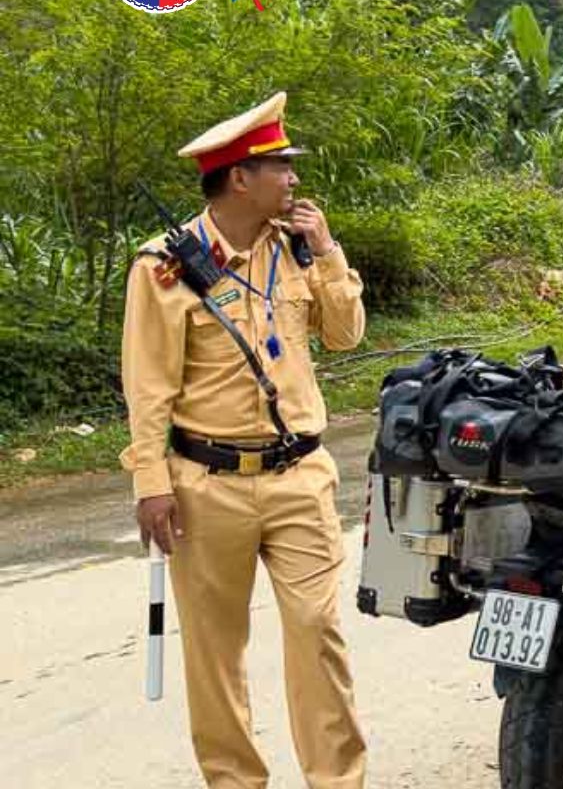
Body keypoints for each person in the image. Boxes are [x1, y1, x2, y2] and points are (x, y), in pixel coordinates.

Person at [120, 92, 368, 789]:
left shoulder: (294, 249)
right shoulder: (164, 267)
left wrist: (327, 251)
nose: (292, 179)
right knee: (215, 653)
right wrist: (151, 483)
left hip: (299, 476)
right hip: (208, 485)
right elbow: (147, 389)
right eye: (279, 167)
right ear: (239, 178)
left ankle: (337, 781)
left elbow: (346, 336)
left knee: (318, 633)